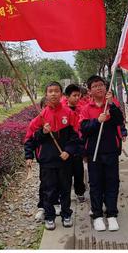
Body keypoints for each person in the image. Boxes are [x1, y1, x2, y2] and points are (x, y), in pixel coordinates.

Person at [24, 81, 80, 231]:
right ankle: (49, 216)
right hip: (47, 162)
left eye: (56, 91)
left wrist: (68, 150)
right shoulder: (41, 117)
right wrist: (42, 132)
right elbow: (30, 139)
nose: (53, 93)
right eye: (50, 91)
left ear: (61, 94)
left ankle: (66, 214)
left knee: (65, 189)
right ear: (46, 94)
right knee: (48, 190)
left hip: (65, 161)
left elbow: (77, 137)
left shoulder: (69, 114)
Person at [80, 75, 124, 232]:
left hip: (111, 151)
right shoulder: (86, 108)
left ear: (106, 87)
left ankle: (112, 214)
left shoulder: (112, 104)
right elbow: (83, 129)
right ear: (90, 90)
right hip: (94, 153)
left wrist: (111, 105)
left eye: (101, 85)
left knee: (112, 183)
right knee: (96, 184)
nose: (98, 88)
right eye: (95, 86)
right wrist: (97, 121)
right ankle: (97, 215)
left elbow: (120, 121)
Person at [64, 83, 86, 203]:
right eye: (74, 95)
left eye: (78, 95)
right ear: (67, 97)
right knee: (66, 172)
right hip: (67, 146)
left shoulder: (81, 109)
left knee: (79, 170)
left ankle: (80, 191)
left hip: (78, 145)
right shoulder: (63, 111)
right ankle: (65, 193)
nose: (77, 98)